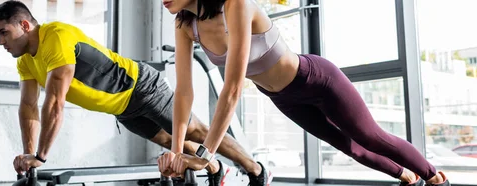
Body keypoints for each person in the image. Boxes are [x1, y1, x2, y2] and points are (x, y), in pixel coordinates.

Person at [157, 0, 451, 186]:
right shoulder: (185, 25)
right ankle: (407, 177)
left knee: (370, 137)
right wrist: (177, 153)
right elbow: (184, 93)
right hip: (284, 98)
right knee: (350, 148)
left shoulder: (236, 5)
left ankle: (436, 178)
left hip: (317, 80)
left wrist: (205, 154)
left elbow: (233, 88)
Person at [0, 1, 270, 186]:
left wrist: (41, 156)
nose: (0, 41)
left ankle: (256, 171)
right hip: (123, 109)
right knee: (174, 142)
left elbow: (54, 104)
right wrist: (28, 153)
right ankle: (214, 168)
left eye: (3, 33)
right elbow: (29, 107)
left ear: (24, 25)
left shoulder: (56, 36)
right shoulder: (26, 61)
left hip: (141, 87)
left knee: (195, 132)